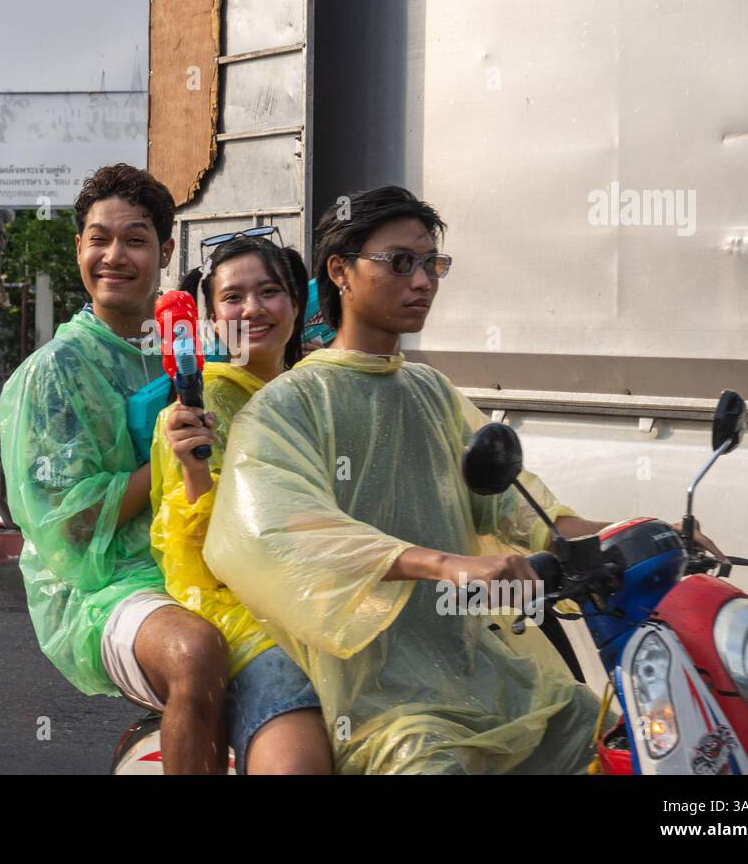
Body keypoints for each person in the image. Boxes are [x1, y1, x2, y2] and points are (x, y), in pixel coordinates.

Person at [204, 187, 719, 774]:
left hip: (491, 676)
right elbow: (271, 530)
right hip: (388, 707)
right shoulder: (288, 406)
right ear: (340, 272)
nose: (422, 281)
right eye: (400, 263)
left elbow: (524, 513)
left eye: (431, 264)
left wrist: (644, 529)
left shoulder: (431, 392)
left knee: (628, 744)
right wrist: (441, 564)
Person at [0, 164, 230, 774]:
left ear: (166, 251)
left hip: (210, 558)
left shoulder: (196, 352)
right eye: (99, 238)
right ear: (79, 248)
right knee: (195, 653)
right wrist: (163, 461)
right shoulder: (53, 373)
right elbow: (70, 529)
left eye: (135, 239)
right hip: (110, 587)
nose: (114, 256)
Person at [150, 235, 332, 774]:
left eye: (270, 291)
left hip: (337, 597)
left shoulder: (321, 393)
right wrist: (194, 469)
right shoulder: (192, 410)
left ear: (297, 305)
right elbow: (202, 552)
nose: (252, 309)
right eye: (233, 298)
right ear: (209, 317)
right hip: (247, 616)